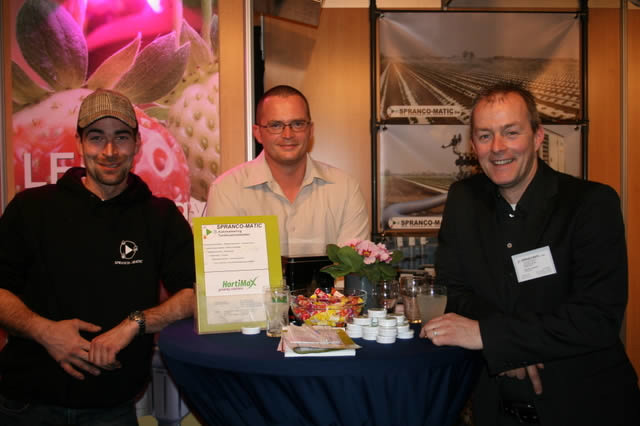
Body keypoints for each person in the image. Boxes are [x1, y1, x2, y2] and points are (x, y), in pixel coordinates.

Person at [420, 83, 640, 426]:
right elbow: (453, 289)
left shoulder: (590, 204)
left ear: (538, 137)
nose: (497, 147)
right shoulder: (464, 199)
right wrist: (507, 348)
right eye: (485, 135)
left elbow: (596, 317)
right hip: (495, 406)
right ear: (473, 145)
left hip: (583, 405)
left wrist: (494, 338)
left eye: (511, 132)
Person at [0, 89, 195, 425]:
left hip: (112, 408)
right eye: (96, 137)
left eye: (121, 137)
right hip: (25, 405)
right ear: (79, 142)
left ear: (137, 143)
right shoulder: (31, 208)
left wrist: (134, 324)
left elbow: (192, 295)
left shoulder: (160, 216)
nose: (109, 151)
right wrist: (44, 331)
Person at [206, 85, 369, 257]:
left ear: (311, 130)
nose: (288, 134)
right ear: (258, 133)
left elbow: (352, 268)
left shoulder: (345, 189)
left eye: (297, 124)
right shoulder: (227, 191)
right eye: (276, 125)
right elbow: (226, 266)